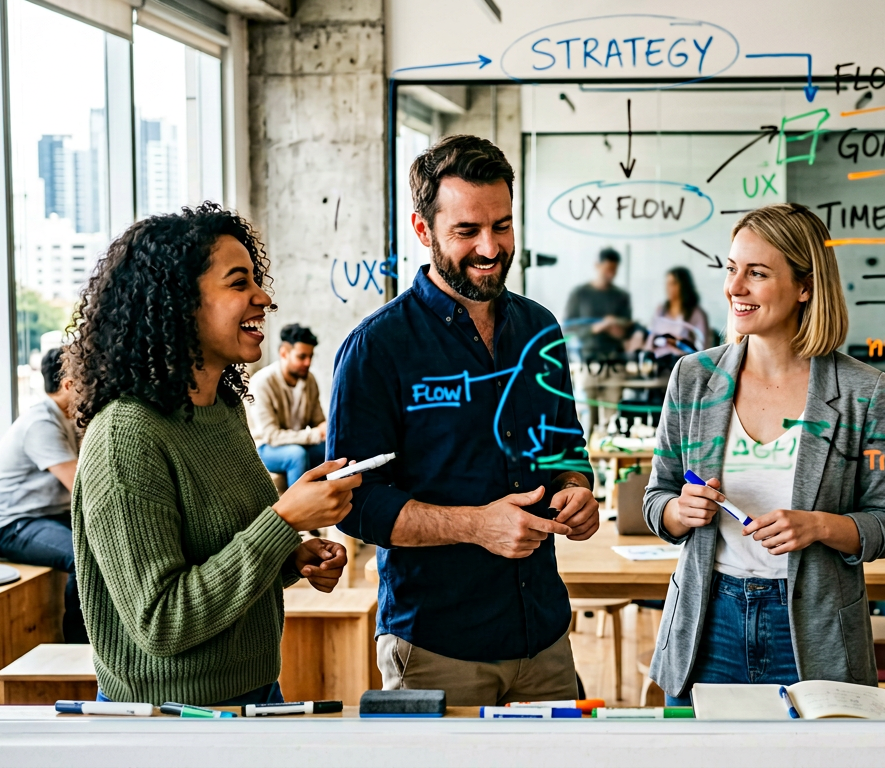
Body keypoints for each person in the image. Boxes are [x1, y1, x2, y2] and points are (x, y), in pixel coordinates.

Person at [329, 135, 600, 706]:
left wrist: (577, 490)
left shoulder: (540, 330)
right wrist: (477, 525)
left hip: (545, 637)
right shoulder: (376, 349)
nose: (490, 247)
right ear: (423, 230)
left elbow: (566, 447)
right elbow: (352, 504)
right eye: (466, 231)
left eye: (502, 226)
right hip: (437, 648)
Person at [67, 203, 361, 707]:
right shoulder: (124, 437)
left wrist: (293, 557)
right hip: (170, 718)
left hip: (257, 691)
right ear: (179, 302)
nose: (263, 297)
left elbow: (225, 549)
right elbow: (161, 622)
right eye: (238, 282)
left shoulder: (223, 410)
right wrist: (284, 522)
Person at [643, 203, 885, 704]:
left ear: (805, 286)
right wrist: (679, 510)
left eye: (757, 273)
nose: (734, 287)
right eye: (731, 269)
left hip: (813, 629)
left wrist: (820, 526)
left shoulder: (863, 391)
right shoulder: (694, 378)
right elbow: (657, 497)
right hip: (708, 622)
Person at [0, 347, 87, 644]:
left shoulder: (69, 418)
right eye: (91, 379)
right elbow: (81, 488)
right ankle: (80, 648)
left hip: (50, 517)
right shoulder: (41, 423)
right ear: (68, 385)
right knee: (86, 556)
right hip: (11, 526)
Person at [249, 323, 327, 485]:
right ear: (284, 353)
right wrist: (315, 434)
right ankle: (300, 509)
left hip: (295, 442)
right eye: (302, 357)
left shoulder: (309, 379)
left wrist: (329, 430)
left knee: (331, 449)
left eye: (310, 356)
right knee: (296, 455)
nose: (308, 362)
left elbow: (318, 421)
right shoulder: (263, 381)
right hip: (264, 447)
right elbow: (271, 435)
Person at [564, 248, 631, 432]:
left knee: (611, 423)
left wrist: (615, 329)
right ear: (597, 266)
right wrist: (599, 326)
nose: (610, 274)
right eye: (607, 269)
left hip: (615, 363)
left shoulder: (621, 297)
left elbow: (626, 333)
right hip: (588, 364)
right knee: (586, 422)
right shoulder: (581, 295)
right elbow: (568, 329)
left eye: (614, 270)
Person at [645, 266, 713, 360]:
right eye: (667, 284)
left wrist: (679, 343)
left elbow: (703, 348)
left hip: (682, 363)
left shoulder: (696, 314)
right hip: (658, 361)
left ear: (683, 285)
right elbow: (650, 338)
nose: (668, 288)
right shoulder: (660, 310)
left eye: (673, 283)